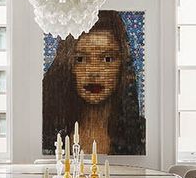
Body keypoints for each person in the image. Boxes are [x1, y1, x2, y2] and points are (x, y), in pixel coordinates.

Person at [42, 10, 145, 156]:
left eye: (107, 59)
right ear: (69, 66)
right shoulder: (50, 131)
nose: (94, 72)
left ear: (122, 65)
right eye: (80, 59)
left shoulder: (139, 132)